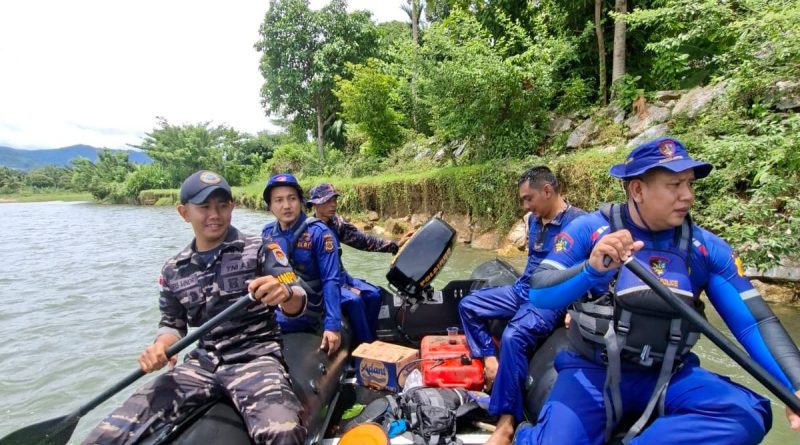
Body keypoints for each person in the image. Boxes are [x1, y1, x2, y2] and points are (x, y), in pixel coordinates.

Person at [517, 137, 800, 445]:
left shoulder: (706, 249)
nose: (688, 196)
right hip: (592, 370)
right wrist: (591, 270)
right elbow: (540, 293)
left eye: (690, 184)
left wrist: (795, 383)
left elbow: (754, 322)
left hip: (669, 375)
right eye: (674, 185)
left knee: (747, 414)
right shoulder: (591, 229)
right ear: (637, 190)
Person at [83, 170, 308, 445]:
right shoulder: (173, 269)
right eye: (204, 207)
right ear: (183, 212)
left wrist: (283, 293)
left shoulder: (262, 248)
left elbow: (297, 298)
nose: (215, 214)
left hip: (255, 358)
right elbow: (171, 324)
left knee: (283, 431)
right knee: (110, 432)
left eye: (222, 205)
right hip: (202, 364)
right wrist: (161, 347)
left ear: (232, 208)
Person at [455, 167, 585, 445]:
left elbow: (595, 271)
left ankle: (506, 423)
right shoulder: (535, 220)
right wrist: (489, 355)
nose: (526, 206)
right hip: (522, 289)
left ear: (548, 191)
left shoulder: (580, 224)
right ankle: (490, 360)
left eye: (529, 199)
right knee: (468, 304)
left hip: (550, 297)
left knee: (514, 335)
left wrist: (577, 308)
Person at [306, 182, 411, 345]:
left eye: (334, 199)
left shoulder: (336, 223)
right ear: (315, 204)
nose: (333, 204)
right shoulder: (308, 231)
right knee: (354, 300)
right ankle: (364, 345)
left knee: (374, 294)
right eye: (327, 201)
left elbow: (363, 240)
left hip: (342, 276)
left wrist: (394, 245)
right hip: (326, 281)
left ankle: (370, 338)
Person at [261, 173, 343, 355]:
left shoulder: (319, 232)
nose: (286, 206)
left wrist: (332, 325)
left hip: (311, 309)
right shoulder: (267, 233)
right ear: (270, 206)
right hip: (281, 305)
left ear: (300, 201)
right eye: (278, 200)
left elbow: (331, 279)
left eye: (292, 199)